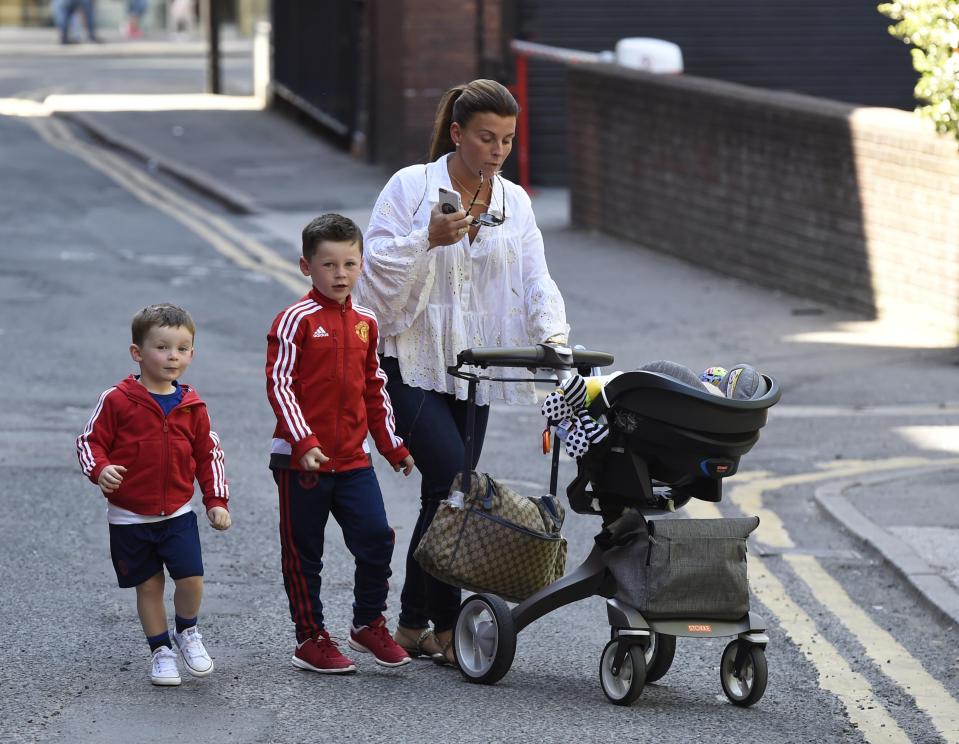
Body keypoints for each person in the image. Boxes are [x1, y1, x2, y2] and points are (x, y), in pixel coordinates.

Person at [354, 79, 570, 666]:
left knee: (442, 491)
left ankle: (409, 623)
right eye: (485, 137)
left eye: (507, 139)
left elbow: (534, 277)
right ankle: (447, 626)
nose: (498, 150)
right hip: (410, 358)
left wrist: (552, 335)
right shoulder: (411, 187)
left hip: (476, 368)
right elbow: (372, 277)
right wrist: (427, 238)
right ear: (456, 132)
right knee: (453, 482)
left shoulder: (515, 202)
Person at [265, 213, 416, 675]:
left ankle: (368, 623)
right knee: (304, 553)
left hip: (354, 460)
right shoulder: (295, 321)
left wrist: (393, 446)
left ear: (361, 264)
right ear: (306, 267)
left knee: (376, 538)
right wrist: (304, 441)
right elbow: (280, 385)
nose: (340, 274)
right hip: (300, 463)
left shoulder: (366, 323)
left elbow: (375, 387)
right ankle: (310, 638)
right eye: (328, 265)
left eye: (350, 264)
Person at [75, 304, 231, 687]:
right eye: (162, 347)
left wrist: (216, 501)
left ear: (192, 355)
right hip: (129, 518)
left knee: (191, 578)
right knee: (149, 586)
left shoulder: (192, 406)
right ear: (138, 353)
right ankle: (160, 650)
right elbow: (89, 442)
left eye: (182, 348)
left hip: (177, 513)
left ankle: (188, 632)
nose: (172, 356)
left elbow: (208, 454)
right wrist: (100, 469)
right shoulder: (117, 399)